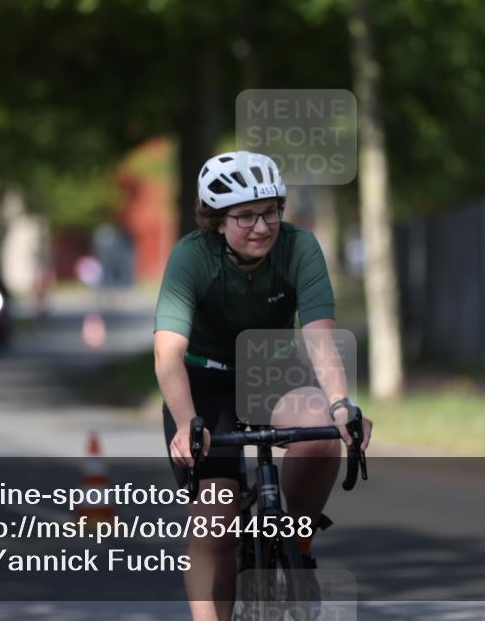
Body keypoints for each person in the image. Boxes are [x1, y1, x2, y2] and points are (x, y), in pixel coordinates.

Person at [154, 150, 373, 621]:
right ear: (216, 221)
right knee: (216, 524)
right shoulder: (191, 257)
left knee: (318, 436)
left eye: (271, 211)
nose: (262, 226)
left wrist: (340, 405)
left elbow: (319, 338)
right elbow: (168, 352)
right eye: (246, 216)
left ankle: (298, 540)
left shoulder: (299, 248)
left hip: (271, 370)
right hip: (203, 381)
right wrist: (187, 421)